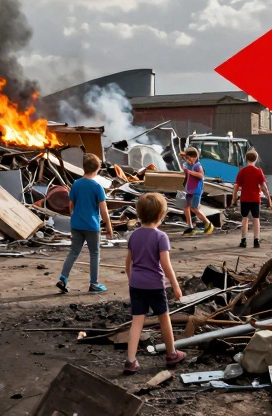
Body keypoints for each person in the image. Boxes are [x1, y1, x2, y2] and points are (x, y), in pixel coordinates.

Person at [122, 192, 186, 374]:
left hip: (136, 284)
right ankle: (172, 354)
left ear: (139, 214)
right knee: (164, 318)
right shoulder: (161, 237)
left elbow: (129, 263)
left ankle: (130, 361)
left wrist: (131, 279)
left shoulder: (133, 236)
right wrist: (175, 285)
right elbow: (166, 265)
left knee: (137, 322)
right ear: (161, 215)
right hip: (155, 286)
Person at [57, 153, 115, 293]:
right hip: (92, 226)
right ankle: (93, 284)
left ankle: (63, 279)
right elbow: (103, 209)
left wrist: (75, 216)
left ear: (83, 167)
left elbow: (71, 205)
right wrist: (109, 225)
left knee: (73, 252)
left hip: (76, 225)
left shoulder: (76, 184)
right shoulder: (97, 187)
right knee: (94, 254)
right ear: (98, 168)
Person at [235, 149, 272, 248]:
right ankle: (256, 240)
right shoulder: (258, 171)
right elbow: (264, 187)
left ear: (246, 159)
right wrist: (269, 198)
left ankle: (243, 240)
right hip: (255, 198)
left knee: (244, 219)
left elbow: (237, 185)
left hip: (244, 198)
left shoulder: (242, 171)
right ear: (256, 159)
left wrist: (234, 196)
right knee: (256, 219)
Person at [181, 148, 213, 236]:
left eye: (190, 158)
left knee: (194, 208)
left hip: (196, 190)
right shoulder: (186, 164)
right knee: (185, 206)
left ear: (194, 157)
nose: (188, 160)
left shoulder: (197, 166)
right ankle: (190, 226)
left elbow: (201, 176)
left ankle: (208, 223)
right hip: (189, 189)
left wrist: (190, 172)